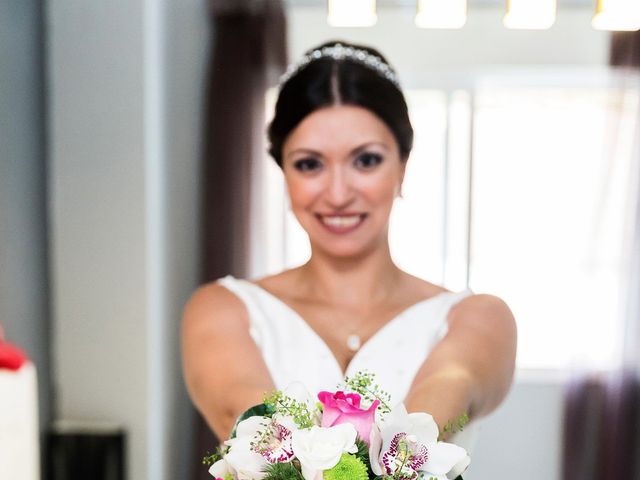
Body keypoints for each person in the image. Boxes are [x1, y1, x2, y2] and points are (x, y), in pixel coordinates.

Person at [181, 41, 517, 445]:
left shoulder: (476, 317)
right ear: (284, 174)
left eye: (366, 160)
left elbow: (431, 415)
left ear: (403, 168)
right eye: (309, 164)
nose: (338, 193)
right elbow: (251, 423)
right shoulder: (225, 309)